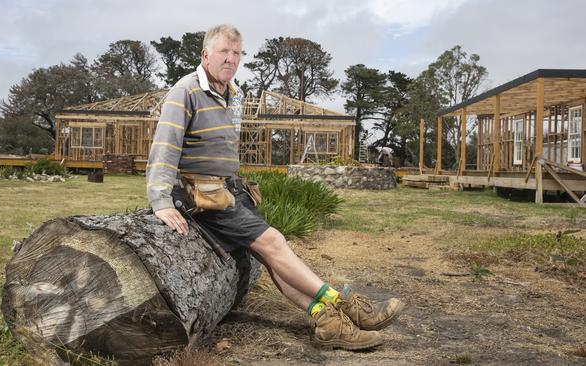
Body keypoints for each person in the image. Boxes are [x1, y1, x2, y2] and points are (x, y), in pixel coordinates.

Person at [146, 24, 404, 350]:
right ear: (205, 54)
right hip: (202, 195)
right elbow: (164, 147)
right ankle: (343, 303)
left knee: (271, 258)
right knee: (274, 242)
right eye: (224, 51)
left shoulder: (233, 94)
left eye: (237, 53)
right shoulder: (185, 91)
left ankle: (326, 321)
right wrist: (161, 201)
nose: (231, 59)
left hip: (229, 190)